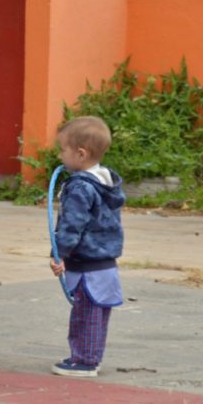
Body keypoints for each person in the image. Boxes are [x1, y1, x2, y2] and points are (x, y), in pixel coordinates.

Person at [49, 116, 124, 378]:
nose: (60, 156)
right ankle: (90, 356)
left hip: (87, 263)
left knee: (86, 313)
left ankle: (85, 361)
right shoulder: (106, 182)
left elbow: (73, 224)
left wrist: (59, 253)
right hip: (105, 262)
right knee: (98, 313)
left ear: (81, 154)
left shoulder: (80, 186)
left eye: (63, 150)